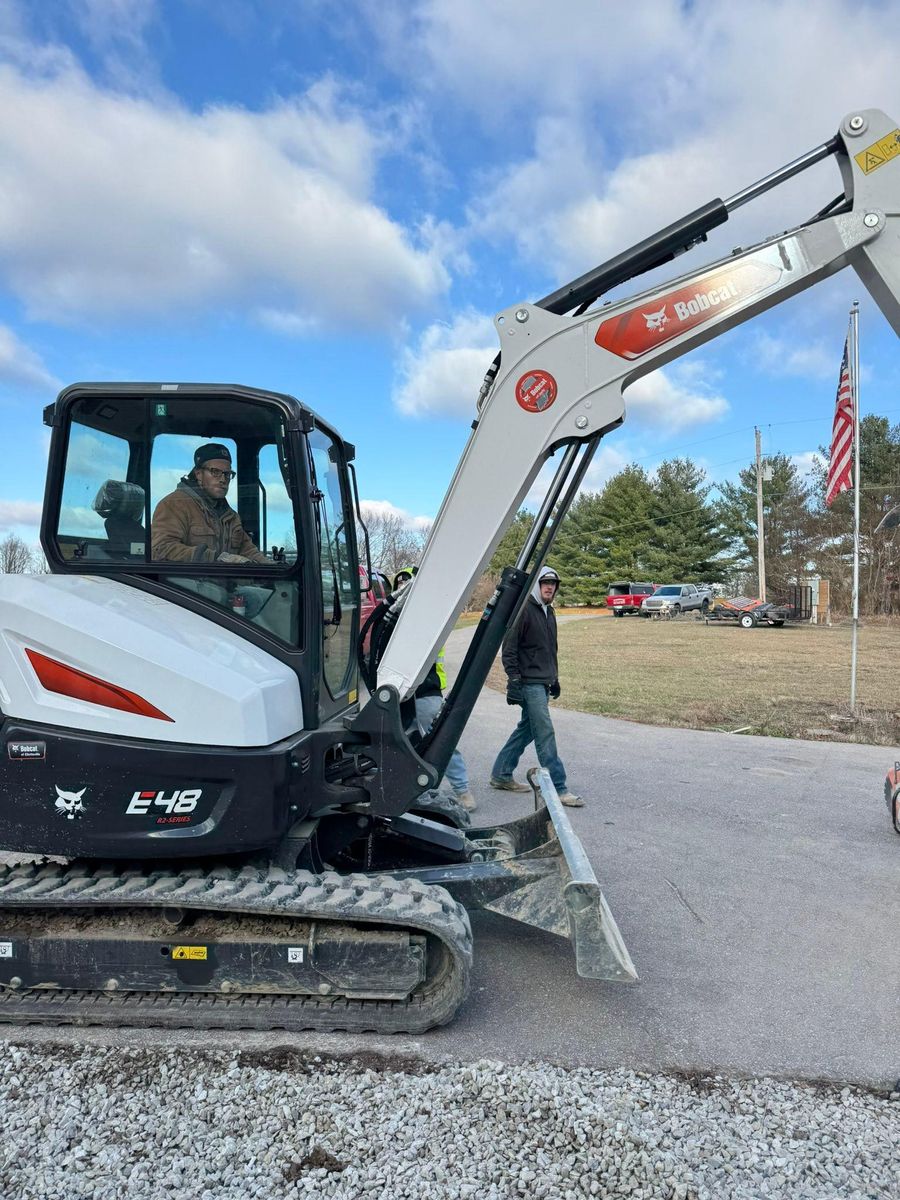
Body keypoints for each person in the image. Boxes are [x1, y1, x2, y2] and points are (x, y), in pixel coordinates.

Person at [490, 566, 583, 807]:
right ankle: (559, 788)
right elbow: (508, 650)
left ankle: (501, 774)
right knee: (544, 732)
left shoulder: (548, 612)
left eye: (553, 583)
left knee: (528, 729)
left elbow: (550, 650)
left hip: (543, 681)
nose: (550, 587)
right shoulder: (524, 611)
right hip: (528, 683)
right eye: (545, 583)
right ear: (537, 586)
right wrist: (514, 680)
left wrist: (555, 678)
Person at [393, 565, 476, 812]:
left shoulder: (427, 622)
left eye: (408, 583)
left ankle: (462, 790)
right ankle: (416, 791)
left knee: (440, 737)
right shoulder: (391, 621)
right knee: (403, 743)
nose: (403, 588)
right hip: (398, 693)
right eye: (400, 583)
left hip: (426, 690)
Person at [151, 443, 268, 564]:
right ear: (199, 474)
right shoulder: (173, 505)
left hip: (223, 583)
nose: (223, 480)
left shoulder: (232, 517)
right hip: (182, 582)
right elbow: (160, 549)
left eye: (227, 474)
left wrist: (273, 568)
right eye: (215, 472)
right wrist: (214, 558)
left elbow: (248, 551)